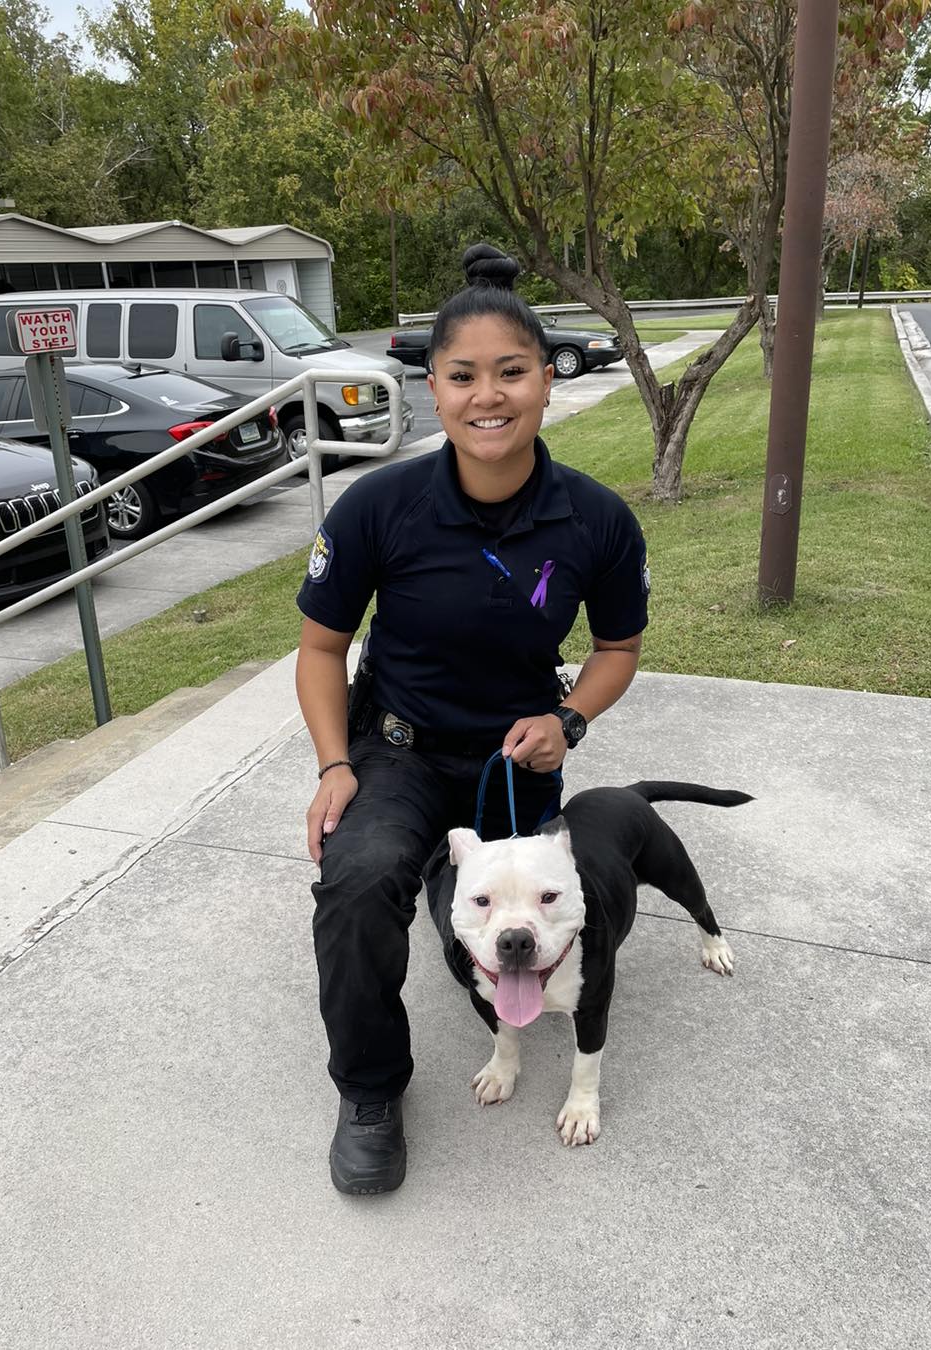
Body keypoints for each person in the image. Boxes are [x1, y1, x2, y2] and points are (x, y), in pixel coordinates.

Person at [294, 242, 649, 1195]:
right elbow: (321, 650)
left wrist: (567, 722)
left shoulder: (597, 520)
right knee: (360, 883)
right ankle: (370, 1091)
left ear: (544, 379)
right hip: (396, 751)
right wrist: (335, 765)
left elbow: (618, 651)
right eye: (462, 376)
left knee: (511, 935)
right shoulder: (380, 506)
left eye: (511, 372)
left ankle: (474, 941)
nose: (487, 396)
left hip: (516, 765)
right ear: (435, 386)